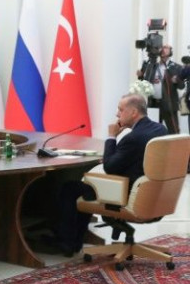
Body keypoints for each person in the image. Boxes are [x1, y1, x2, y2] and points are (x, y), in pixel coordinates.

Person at [48, 94, 168, 255]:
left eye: (120, 110)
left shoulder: (133, 138)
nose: (117, 114)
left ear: (133, 112)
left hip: (125, 194)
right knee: (84, 187)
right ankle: (75, 240)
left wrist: (112, 136)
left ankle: (68, 243)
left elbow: (110, 167)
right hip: (152, 195)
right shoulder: (160, 129)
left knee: (71, 187)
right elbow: (132, 158)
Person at [137, 45, 185, 134]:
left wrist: (176, 80)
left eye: (166, 47)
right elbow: (146, 84)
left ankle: (175, 148)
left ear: (171, 52)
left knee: (173, 131)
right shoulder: (152, 66)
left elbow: (182, 86)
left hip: (169, 104)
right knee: (152, 131)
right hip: (153, 104)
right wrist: (141, 77)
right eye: (162, 47)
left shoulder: (177, 67)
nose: (163, 49)